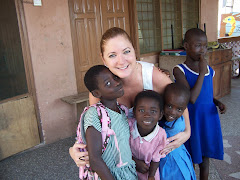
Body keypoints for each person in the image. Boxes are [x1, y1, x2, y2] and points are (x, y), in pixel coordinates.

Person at [69, 27, 191, 172]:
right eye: (112, 55)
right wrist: (74, 150)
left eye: (126, 51)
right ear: (103, 58)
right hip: (124, 159)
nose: (121, 61)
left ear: (134, 51)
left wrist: (187, 132)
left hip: (160, 156)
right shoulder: (101, 89)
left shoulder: (152, 76)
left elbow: (179, 101)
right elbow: (97, 127)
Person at [173, 28, 226, 180]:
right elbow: (191, 98)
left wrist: (217, 101)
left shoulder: (210, 70)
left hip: (207, 120)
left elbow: (207, 93)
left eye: (205, 46)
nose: (202, 50)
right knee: (191, 156)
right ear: (186, 46)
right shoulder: (180, 70)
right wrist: (202, 73)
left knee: (205, 158)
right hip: (192, 120)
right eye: (198, 45)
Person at [78, 65, 137, 179]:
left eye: (115, 78)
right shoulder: (95, 114)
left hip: (127, 174)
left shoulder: (122, 110)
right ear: (96, 93)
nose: (116, 83)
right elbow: (95, 159)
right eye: (108, 84)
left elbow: (122, 145)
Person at [159, 83, 196, 180]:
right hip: (168, 157)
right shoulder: (163, 119)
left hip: (174, 159)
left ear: (184, 109)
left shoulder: (177, 124)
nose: (173, 112)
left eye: (179, 109)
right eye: (169, 106)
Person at [129, 90, 167, 180]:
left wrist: (151, 176)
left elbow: (156, 158)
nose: (147, 115)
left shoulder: (161, 135)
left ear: (160, 115)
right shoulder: (128, 126)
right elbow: (121, 149)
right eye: (141, 110)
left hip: (148, 173)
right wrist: (133, 161)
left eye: (153, 111)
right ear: (134, 112)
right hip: (128, 169)